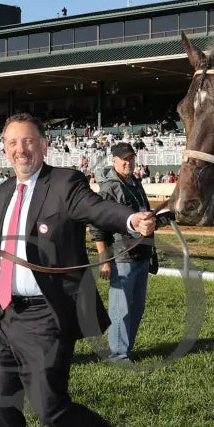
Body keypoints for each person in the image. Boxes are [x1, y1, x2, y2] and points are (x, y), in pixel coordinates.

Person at [0, 114, 156, 427]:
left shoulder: (64, 183)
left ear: (44, 145)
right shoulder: (4, 190)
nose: (20, 149)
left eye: (28, 142)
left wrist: (129, 219)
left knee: (50, 408)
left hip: (46, 316)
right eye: (12, 143)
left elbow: (97, 209)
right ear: (4, 148)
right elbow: (3, 239)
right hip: (3, 315)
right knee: (2, 409)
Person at [90, 142, 155, 363]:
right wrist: (104, 259)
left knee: (137, 305)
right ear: (114, 161)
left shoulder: (135, 183)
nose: (128, 162)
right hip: (122, 255)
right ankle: (118, 354)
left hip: (142, 253)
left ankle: (126, 349)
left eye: (131, 158)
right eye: (123, 159)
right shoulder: (109, 188)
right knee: (121, 307)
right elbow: (98, 225)